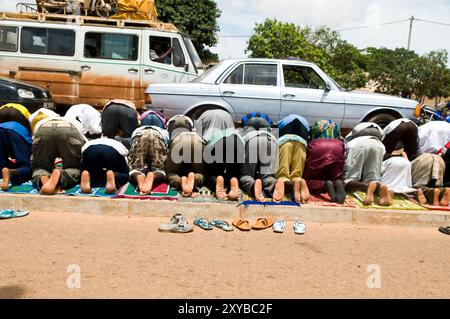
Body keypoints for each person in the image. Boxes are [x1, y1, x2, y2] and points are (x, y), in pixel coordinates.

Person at [31, 115, 87, 195]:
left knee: (40, 166)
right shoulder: (74, 121)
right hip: (69, 129)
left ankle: (43, 177)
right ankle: (60, 175)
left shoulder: (46, 119)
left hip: (43, 128)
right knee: (72, 167)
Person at [238, 113, 284, 202]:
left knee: (246, 175)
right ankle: (274, 185)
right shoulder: (269, 129)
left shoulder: (246, 132)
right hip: (271, 140)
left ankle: (253, 184)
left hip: (252, 140)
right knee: (267, 177)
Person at [344, 122, 392, 206]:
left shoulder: (351, 137)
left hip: (358, 145)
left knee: (349, 179)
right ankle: (380, 187)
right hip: (378, 145)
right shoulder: (377, 131)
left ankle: (366, 187)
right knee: (373, 178)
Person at [202, 110, 243, 201]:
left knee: (210, 173)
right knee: (234, 171)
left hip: (217, 142)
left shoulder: (205, 115)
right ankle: (233, 180)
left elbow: (201, 138)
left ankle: (217, 180)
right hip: (237, 141)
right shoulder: (228, 116)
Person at [303, 119, 345, 204]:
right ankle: (337, 183)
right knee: (335, 177)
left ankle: (324, 185)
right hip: (338, 146)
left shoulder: (317, 124)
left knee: (306, 180)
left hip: (317, 146)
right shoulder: (335, 125)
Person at [165, 115, 205, 197]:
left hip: (178, 141)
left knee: (170, 173)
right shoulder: (191, 126)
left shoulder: (170, 126)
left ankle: (180, 181)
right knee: (201, 173)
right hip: (196, 139)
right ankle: (194, 179)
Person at [128, 116, 169, 195]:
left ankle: (139, 176)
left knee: (135, 168)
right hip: (158, 136)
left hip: (139, 135)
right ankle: (153, 176)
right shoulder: (163, 131)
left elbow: (131, 144)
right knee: (160, 168)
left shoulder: (137, 130)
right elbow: (167, 146)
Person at [275, 114, 310, 203]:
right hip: (301, 143)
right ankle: (297, 180)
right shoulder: (304, 121)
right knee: (297, 171)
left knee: (283, 167)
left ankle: (283, 179)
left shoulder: (284, 121)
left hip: (285, 141)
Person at [0, 121, 32, 190]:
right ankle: (10, 172)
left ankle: (4, 174)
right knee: (28, 167)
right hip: (16, 133)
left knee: (2, 165)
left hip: (2, 129)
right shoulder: (29, 135)